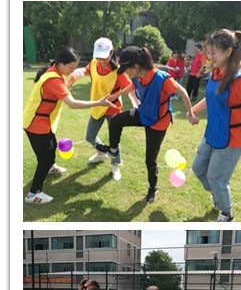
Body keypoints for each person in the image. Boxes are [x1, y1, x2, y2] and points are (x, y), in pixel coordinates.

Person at [95, 46, 198, 203]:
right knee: (116, 121)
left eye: (126, 69)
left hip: (158, 122)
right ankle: (113, 150)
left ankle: (152, 188)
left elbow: (183, 92)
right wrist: (115, 95)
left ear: (136, 65)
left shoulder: (162, 78)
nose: (125, 73)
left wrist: (190, 113)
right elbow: (132, 87)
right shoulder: (137, 76)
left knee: (150, 160)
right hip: (143, 114)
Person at [23, 47, 116, 204]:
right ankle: (33, 194)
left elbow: (60, 90)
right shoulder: (53, 79)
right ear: (60, 63)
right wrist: (98, 103)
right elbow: (72, 103)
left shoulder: (55, 73)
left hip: (43, 122)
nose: (72, 70)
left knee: (52, 147)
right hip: (35, 124)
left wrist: (72, 79)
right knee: (44, 158)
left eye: (75, 68)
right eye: (71, 67)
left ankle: (51, 167)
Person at [191, 29, 241, 222]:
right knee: (198, 169)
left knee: (216, 178)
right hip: (212, 133)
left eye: (213, 53)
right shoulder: (215, 72)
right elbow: (211, 97)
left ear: (228, 52)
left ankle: (227, 214)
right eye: (208, 52)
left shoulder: (240, 80)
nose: (209, 57)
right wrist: (192, 111)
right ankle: (218, 195)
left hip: (231, 139)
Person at [67, 37, 138, 181]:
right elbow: (87, 71)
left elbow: (130, 87)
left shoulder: (118, 70)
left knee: (114, 140)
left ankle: (115, 165)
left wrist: (122, 98)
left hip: (113, 109)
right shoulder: (94, 63)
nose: (102, 61)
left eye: (104, 57)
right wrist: (79, 73)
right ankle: (101, 154)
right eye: (99, 57)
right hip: (97, 105)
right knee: (90, 136)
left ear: (111, 53)